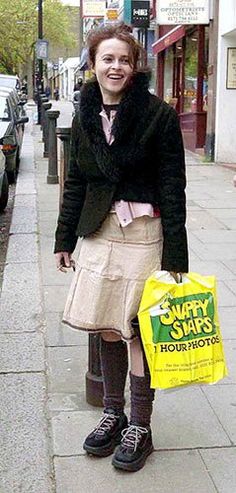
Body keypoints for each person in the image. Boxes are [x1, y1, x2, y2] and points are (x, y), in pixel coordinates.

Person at [54, 22, 188, 472]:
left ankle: (141, 426)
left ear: (135, 67)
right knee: (106, 327)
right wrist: (63, 238)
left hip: (144, 238)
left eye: (124, 60)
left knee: (137, 331)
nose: (116, 67)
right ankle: (114, 414)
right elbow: (76, 182)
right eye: (107, 59)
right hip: (98, 234)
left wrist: (176, 259)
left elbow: (173, 188)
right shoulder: (83, 113)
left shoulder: (159, 115)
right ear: (93, 65)